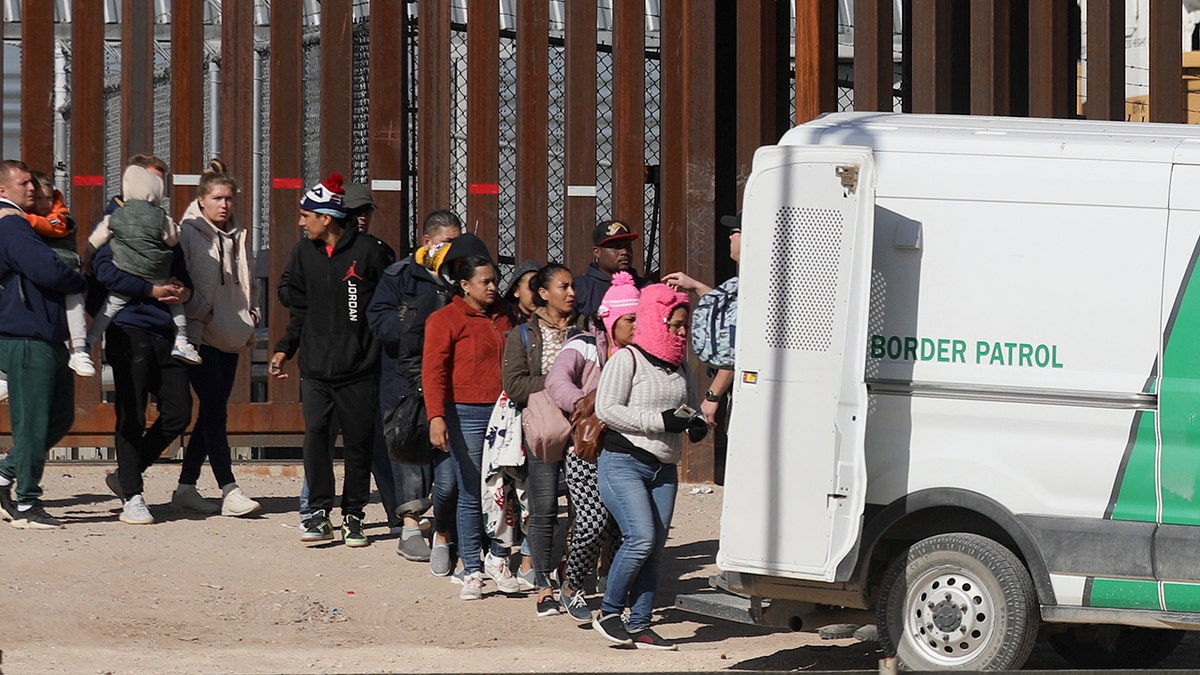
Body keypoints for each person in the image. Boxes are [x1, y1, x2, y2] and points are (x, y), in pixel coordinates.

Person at [270, 172, 393, 548]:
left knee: (357, 443)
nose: (300, 221)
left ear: (327, 217)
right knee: (316, 439)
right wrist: (285, 348)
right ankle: (319, 513)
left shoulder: (371, 252)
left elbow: (386, 307)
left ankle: (353, 515)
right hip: (316, 368)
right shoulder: (303, 252)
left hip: (358, 370)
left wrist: (372, 350)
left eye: (306, 215)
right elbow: (300, 308)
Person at [591, 283, 707, 650]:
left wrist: (695, 422)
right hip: (623, 462)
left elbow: (687, 407)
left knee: (654, 547)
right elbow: (606, 410)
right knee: (640, 538)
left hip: (663, 469)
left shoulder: (680, 368)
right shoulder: (627, 360)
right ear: (657, 321)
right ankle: (610, 613)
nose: (681, 332)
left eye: (685, 325)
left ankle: (640, 623)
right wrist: (660, 421)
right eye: (674, 325)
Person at [93, 157, 196, 526]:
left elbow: (182, 273)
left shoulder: (165, 226)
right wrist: (150, 289)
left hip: (166, 332)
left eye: (161, 186)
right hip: (128, 327)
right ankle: (133, 496)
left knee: (178, 412)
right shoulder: (114, 221)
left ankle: (126, 475)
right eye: (153, 183)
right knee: (131, 414)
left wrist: (183, 291)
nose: (157, 193)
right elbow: (103, 271)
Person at [365, 208, 468, 566]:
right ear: (428, 241)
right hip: (404, 377)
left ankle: (444, 525)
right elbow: (379, 321)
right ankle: (410, 528)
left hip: (449, 377)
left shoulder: (460, 278)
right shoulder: (399, 276)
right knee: (407, 444)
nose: (451, 250)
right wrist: (417, 327)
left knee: (446, 449)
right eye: (446, 242)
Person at [423, 252, 521, 600]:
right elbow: (433, 371)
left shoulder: (504, 316)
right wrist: (436, 416)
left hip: (504, 412)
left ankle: (498, 557)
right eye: (486, 281)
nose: (494, 287)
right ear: (464, 285)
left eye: (495, 280)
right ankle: (472, 569)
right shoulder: (445, 319)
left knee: (505, 487)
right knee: (470, 490)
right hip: (464, 412)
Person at [544, 270, 640, 622]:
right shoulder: (583, 345)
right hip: (587, 451)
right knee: (591, 524)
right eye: (629, 319)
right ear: (611, 319)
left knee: (621, 526)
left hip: (629, 451)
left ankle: (616, 591)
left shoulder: (644, 353)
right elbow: (556, 381)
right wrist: (585, 403)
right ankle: (571, 585)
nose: (636, 326)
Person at [169, 159, 261, 517]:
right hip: (201, 334)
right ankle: (229, 487)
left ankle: (186, 487)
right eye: (219, 198)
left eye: (230, 199)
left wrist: (252, 316)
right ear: (202, 200)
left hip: (232, 331)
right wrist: (198, 311)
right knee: (215, 411)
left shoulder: (238, 235)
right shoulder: (188, 232)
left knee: (211, 412)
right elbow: (182, 279)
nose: (225, 205)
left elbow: (248, 281)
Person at [0, 159, 87, 529]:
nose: (32, 188)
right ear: (4, 189)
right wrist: (80, 279)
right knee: (33, 423)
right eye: (23, 183)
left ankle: (4, 474)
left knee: (60, 417)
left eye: (33, 182)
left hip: (46, 335)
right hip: (26, 336)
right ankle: (27, 505)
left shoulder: (25, 225)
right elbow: (46, 269)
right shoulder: (12, 225)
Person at [501, 263, 585, 617]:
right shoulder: (522, 335)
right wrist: (557, 383)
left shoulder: (587, 330)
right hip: (544, 429)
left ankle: (573, 578)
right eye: (563, 287)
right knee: (544, 507)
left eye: (572, 286)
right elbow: (514, 384)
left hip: (582, 428)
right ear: (543, 293)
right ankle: (543, 586)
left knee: (584, 510)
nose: (571, 293)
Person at [86, 164, 202, 365]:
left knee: (109, 307)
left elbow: (96, 240)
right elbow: (173, 239)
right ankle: (182, 340)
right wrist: (153, 290)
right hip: (133, 320)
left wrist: (87, 254)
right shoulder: (161, 218)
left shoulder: (114, 218)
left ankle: (87, 343)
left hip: (142, 303)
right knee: (176, 306)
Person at [663, 211, 741, 484]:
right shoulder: (753, 279)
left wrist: (712, 396)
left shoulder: (758, 280)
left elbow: (735, 346)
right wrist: (695, 286)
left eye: (737, 231)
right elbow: (727, 311)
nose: (731, 236)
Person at [25, 171, 95, 377]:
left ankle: (80, 349)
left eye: (48, 197)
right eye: (38, 198)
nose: (45, 203)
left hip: (65, 271)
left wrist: (25, 218)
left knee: (75, 303)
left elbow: (52, 227)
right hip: (41, 275)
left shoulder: (60, 216)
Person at [572, 219, 649, 318]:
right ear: (597, 252)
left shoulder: (646, 287)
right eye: (616, 247)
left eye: (628, 246)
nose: (624, 252)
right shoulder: (581, 288)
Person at [503, 259, 542, 325]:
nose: (536, 295)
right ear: (516, 291)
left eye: (540, 290)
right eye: (531, 289)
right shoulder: (507, 319)